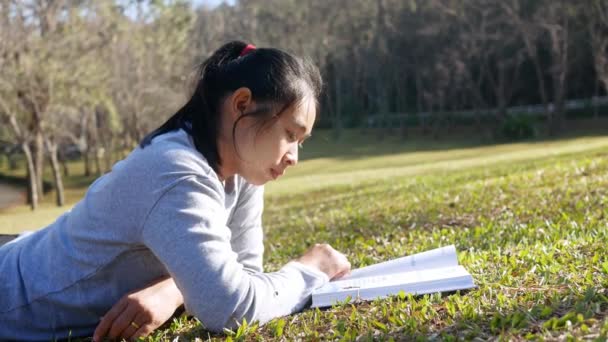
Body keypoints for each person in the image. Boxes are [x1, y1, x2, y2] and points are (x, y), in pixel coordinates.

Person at [0, 41, 351, 341]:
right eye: (290, 135)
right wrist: (311, 270)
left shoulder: (242, 172)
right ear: (242, 105)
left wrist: (172, 290)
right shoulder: (176, 172)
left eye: (301, 142)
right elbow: (232, 309)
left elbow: (244, 278)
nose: (294, 157)